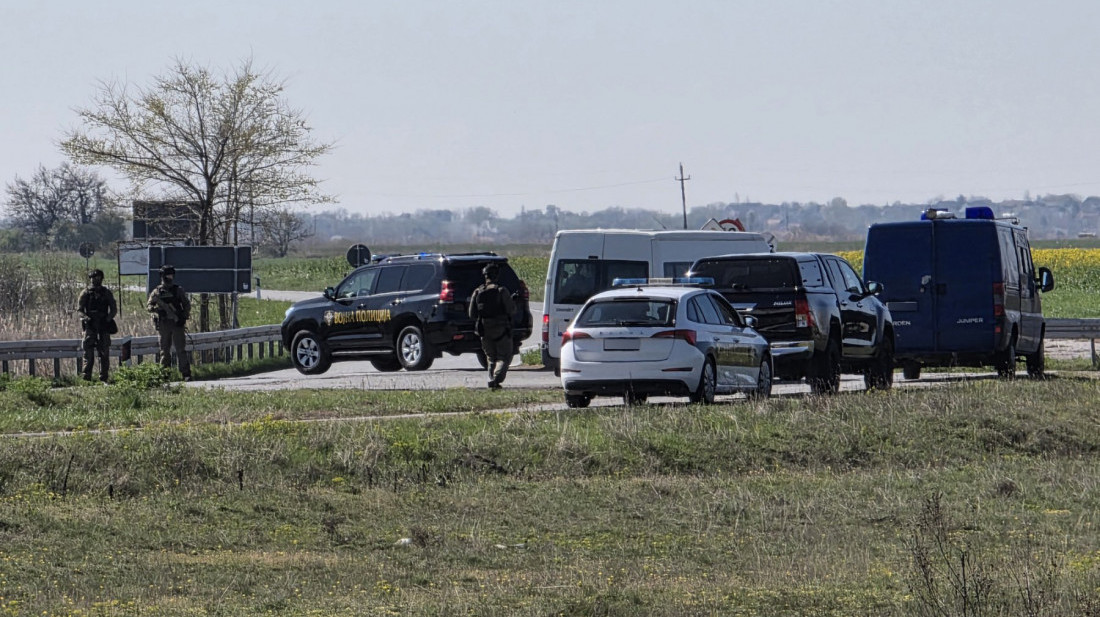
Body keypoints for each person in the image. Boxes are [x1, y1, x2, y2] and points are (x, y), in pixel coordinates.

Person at [468, 263, 516, 390]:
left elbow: (471, 314)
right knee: (504, 357)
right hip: (501, 328)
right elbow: (511, 310)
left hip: (484, 329)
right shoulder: (501, 291)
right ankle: (496, 379)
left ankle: (491, 378)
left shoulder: (478, 291)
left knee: (491, 357)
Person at [147, 264, 192, 381]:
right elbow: (149, 306)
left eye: (171, 275)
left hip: (177, 324)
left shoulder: (178, 290)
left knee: (180, 350)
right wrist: (157, 311)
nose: (170, 277)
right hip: (164, 324)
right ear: (162, 276)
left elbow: (186, 304)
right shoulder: (157, 292)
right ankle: (164, 375)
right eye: (167, 275)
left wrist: (183, 317)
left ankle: (186, 374)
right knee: (164, 350)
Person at [76, 268, 117, 382]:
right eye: (93, 278)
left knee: (104, 352)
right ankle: (86, 377)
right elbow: (79, 309)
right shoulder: (85, 293)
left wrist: (107, 319)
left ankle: (104, 377)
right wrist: (86, 318)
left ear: (101, 279)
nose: (95, 280)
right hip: (90, 326)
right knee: (88, 353)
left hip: (103, 326)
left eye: (98, 278)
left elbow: (113, 309)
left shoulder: (106, 293)